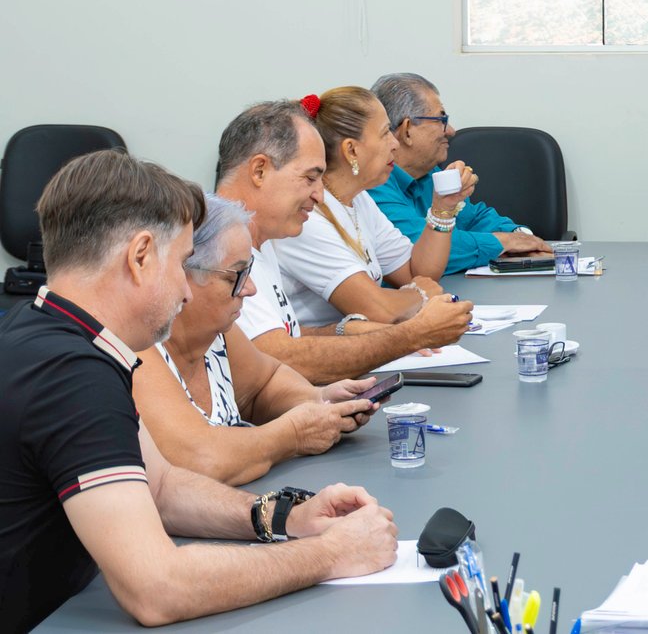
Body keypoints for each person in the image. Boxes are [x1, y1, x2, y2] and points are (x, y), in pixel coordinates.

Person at [0, 150, 396, 631]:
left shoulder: (43, 330)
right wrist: (331, 553)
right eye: (182, 262)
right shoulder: (71, 375)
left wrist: (286, 517)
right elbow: (157, 588)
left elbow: (162, 488)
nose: (186, 291)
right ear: (141, 257)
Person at [217, 100, 473, 385]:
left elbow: (280, 336)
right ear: (259, 171)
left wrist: (345, 330)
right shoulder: (218, 248)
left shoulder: (261, 237)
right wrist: (411, 335)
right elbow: (278, 359)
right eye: (310, 178)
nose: (319, 195)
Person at [134, 195, 380, 486]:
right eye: (235, 277)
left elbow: (264, 384)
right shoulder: (138, 348)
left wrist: (319, 400)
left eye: (248, 273)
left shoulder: (218, 333)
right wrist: (294, 434)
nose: (249, 289)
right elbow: (201, 459)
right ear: (181, 272)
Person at [275, 88, 478, 329]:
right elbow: (379, 310)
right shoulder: (307, 216)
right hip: (323, 348)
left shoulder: (358, 199)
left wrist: (443, 207)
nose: (395, 144)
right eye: (385, 133)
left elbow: (415, 272)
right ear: (351, 150)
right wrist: (420, 293)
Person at [368, 71, 551, 271]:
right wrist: (503, 242)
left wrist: (522, 237)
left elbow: (474, 218)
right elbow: (422, 248)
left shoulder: (428, 173)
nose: (451, 131)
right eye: (441, 120)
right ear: (407, 130)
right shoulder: (373, 184)